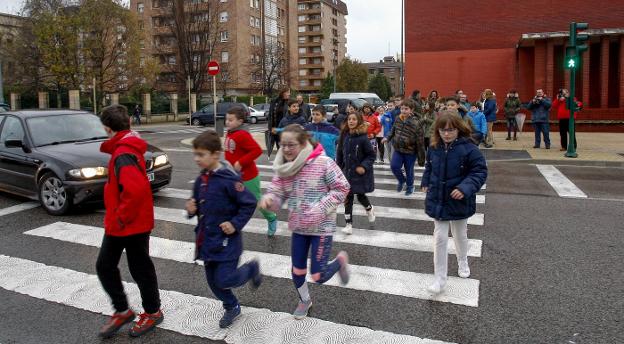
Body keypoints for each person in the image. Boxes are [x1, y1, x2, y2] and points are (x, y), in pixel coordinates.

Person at [259, 124, 350, 319]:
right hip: (299, 226)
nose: (286, 149)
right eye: (283, 145)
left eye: (291, 145)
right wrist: (270, 201)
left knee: (318, 275)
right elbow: (278, 192)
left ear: (304, 143)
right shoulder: (284, 167)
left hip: (321, 227)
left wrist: (319, 209)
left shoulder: (324, 162)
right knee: (297, 269)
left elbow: (342, 188)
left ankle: (340, 261)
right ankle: (304, 300)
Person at [96, 105, 163, 338]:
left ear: (107, 128)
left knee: (136, 267)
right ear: (128, 124)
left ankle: (152, 312)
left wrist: (121, 217)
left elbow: (134, 190)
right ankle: (123, 311)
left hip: (128, 222)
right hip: (127, 220)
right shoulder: (125, 148)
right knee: (110, 266)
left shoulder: (123, 152)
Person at [186, 130, 262, 328]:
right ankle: (232, 306)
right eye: (195, 154)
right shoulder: (200, 180)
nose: (196, 159)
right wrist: (191, 208)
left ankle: (251, 268)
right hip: (207, 240)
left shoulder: (230, 180)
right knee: (213, 283)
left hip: (228, 241)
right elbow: (196, 204)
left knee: (225, 278)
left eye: (201, 154)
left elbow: (249, 203)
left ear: (215, 154)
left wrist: (235, 224)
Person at [421, 111, 487, 294]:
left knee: (460, 234)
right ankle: (439, 279)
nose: (446, 134)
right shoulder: (434, 147)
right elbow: (429, 167)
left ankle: (463, 260)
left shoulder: (469, 148)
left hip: (459, 199)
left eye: (450, 130)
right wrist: (425, 181)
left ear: (458, 129)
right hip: (438, 198)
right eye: (442, 130)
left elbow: (479, 172)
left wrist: (465, 188)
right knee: (440, 238)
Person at [224, 105, 278, 236]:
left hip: (248, 176)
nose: (227, 122)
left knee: (256, 201)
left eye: (231, 120)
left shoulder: (242, 134)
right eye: (227, 119)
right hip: (234, 176)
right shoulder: (230, 133)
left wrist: (240, 162)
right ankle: (232, 224)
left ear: (240, 121)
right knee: (231, 200)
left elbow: (257, 150)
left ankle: (271, 217)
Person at [336, 112, 376, 234]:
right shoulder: (344, 135)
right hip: (346, 173)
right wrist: (338, 167)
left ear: (359, 121)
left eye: (354, 119)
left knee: (360, 196)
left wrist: (363, 166)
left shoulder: (363, 138)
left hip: (359, 174)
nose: (351, 121)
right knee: (348, 198)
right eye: (349, 119)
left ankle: (369, 209)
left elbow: (371, 155)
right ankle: (348, 224)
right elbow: (340, 152)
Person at [382, 98, 426, 196]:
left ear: (412, 110)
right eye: (402, 108)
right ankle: (402, 180)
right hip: (398, 149)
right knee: (394, 166)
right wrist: (387, 138)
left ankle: (410, 186)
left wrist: (421, 158)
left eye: (406, 109)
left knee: (408, 170)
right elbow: (393, 130)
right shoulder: (398, 118)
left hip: (410, 151)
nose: (403, 111)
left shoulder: (416, 122)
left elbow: (420, 141)